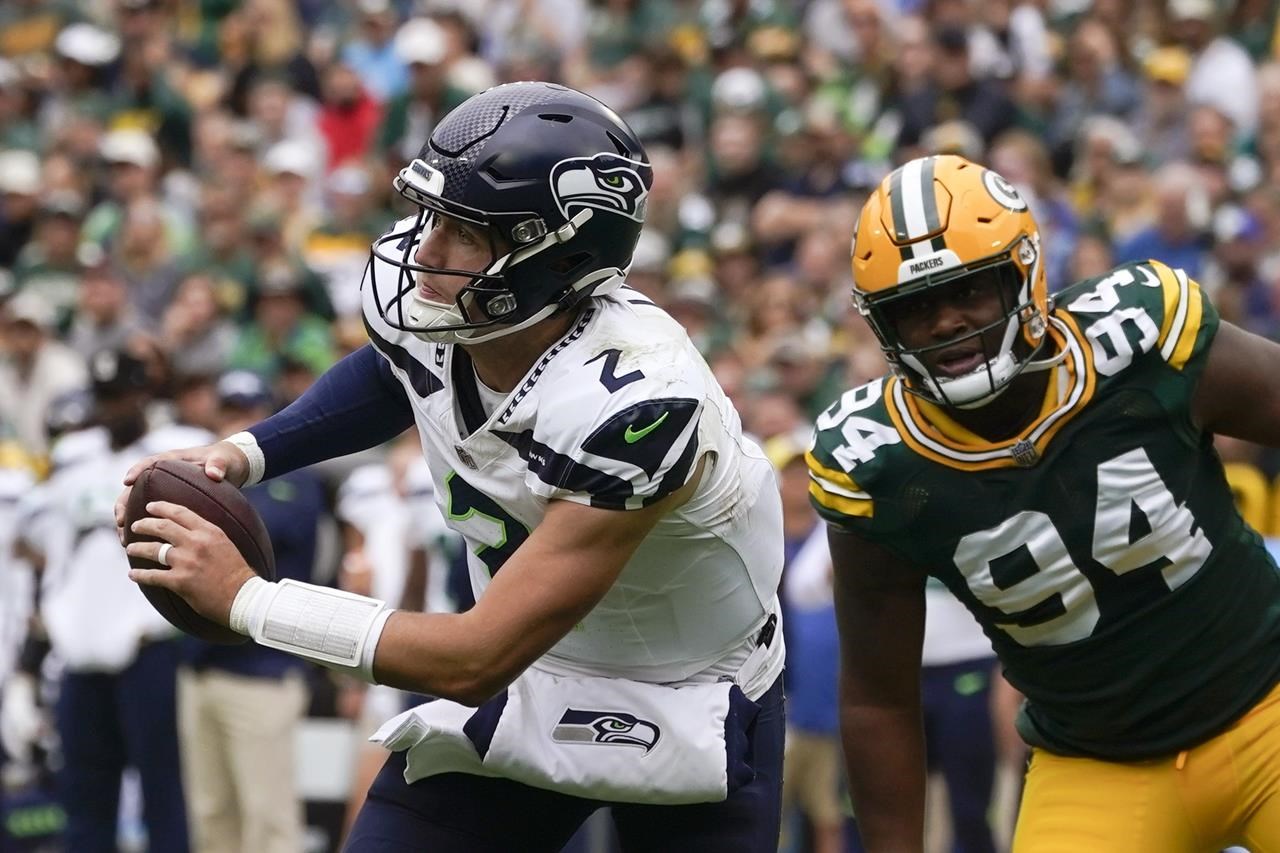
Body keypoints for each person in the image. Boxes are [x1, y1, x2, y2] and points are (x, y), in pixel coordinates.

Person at [115, 81, 787, 852]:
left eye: (466, 232)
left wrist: (247, 601)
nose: (425, 249)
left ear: (558, 253)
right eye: (434, 215)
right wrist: (244, 451)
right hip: (530, 675)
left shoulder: (636, 404)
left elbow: (474, 656)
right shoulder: (452, 301)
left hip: (686, 692)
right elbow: (393, 372)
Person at [807, 153, 1280, 852]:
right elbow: (879, 698)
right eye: (915, 307)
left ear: (1023, 274)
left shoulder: (1137, 339)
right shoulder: (876, 463)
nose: (944, 323)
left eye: (969, 290)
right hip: (1099, 765)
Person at [35, 346, 201, 853]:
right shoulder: (74, 454)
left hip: (148, 641)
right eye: (105, 398)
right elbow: (45, 539)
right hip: (79, 645)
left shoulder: (181, 449)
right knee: (85, 795)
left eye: (122, 396)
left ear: (144, 395)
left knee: (162, 791)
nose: (114, 408)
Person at [177, 370, 329, 853]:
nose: (240, 420)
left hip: (264, 668)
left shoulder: (298, 481)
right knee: (210, 817)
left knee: (269, 818)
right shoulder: (198, 478)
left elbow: (260, 530)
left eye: (251, 411)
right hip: (200, 668)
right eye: (231, 412)